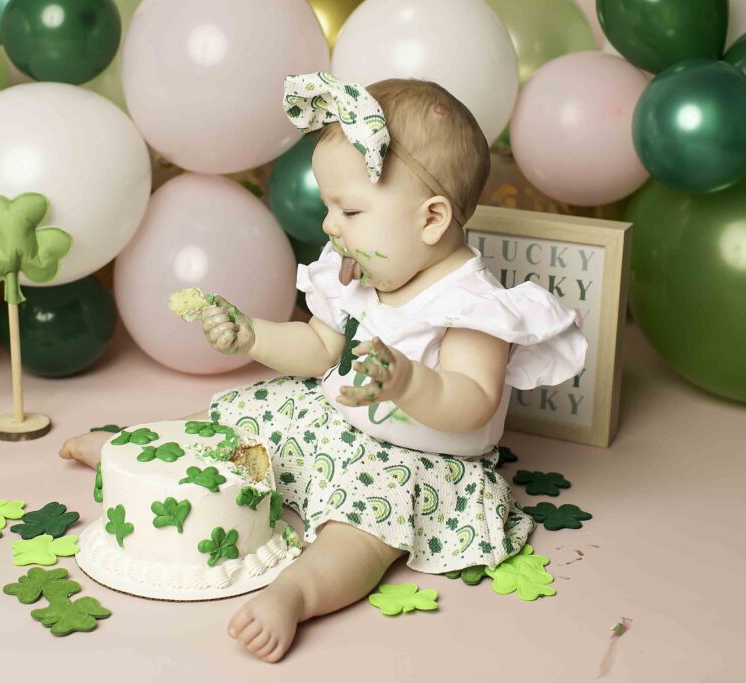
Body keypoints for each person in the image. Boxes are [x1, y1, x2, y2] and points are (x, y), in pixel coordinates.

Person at [60, 72, 587, 663]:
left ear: (431, 219)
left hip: (415, 462)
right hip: (334, 421)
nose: (330, 225)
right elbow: (318, 347)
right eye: (330, 206)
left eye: (350, 209)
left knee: (362, 532)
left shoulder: (469, 305)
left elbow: (472, 400)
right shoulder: (365, 266)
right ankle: (146, 449)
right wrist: (253, 335)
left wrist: (409, 381)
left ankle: (295, 593)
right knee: (251, 409)